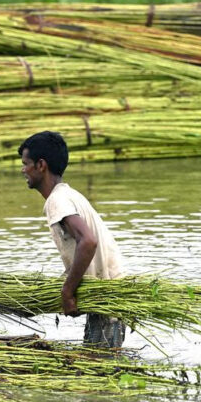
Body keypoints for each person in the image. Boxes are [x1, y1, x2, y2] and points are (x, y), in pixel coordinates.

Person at [18, 131, 126, 347]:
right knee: (98, 368)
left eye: (26, 163)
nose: (23, 170)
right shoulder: (68, 194)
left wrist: (67, 292)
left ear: (41, 165)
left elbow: (88, 241)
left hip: (108, 300)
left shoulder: (57, 200)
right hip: (107, 298)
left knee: (101, 372)